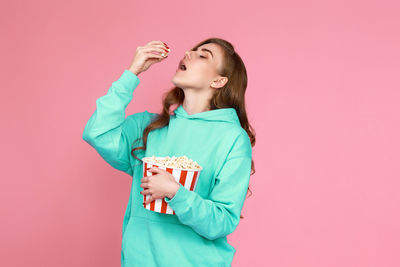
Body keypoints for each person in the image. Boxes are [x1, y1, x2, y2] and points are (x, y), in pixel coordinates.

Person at [82, 37, 256, 267]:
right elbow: (98, 133)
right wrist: (132, 73)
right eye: (192, 50)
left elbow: (222, 222)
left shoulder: (232, 139)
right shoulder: (149, 128)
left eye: (203, 55)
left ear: (218, 80)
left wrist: (175, 192)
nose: (188, 53)